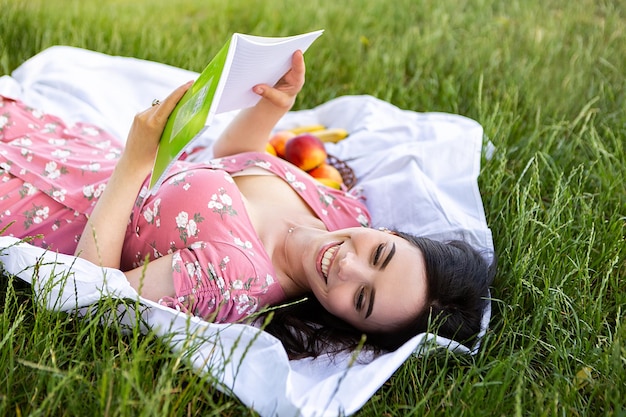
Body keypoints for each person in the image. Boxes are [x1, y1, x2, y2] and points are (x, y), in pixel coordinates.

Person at [0, 51, 494, 358]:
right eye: (380, 255)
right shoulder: (343, 213)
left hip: (37, 207)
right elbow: (235, 162)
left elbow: (93, 291)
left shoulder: (232, 280)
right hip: (72, 151)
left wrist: (135, 162)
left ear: (351, 324)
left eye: (362, 300)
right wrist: (271, 109)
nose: (348, 266)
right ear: (393, 235)